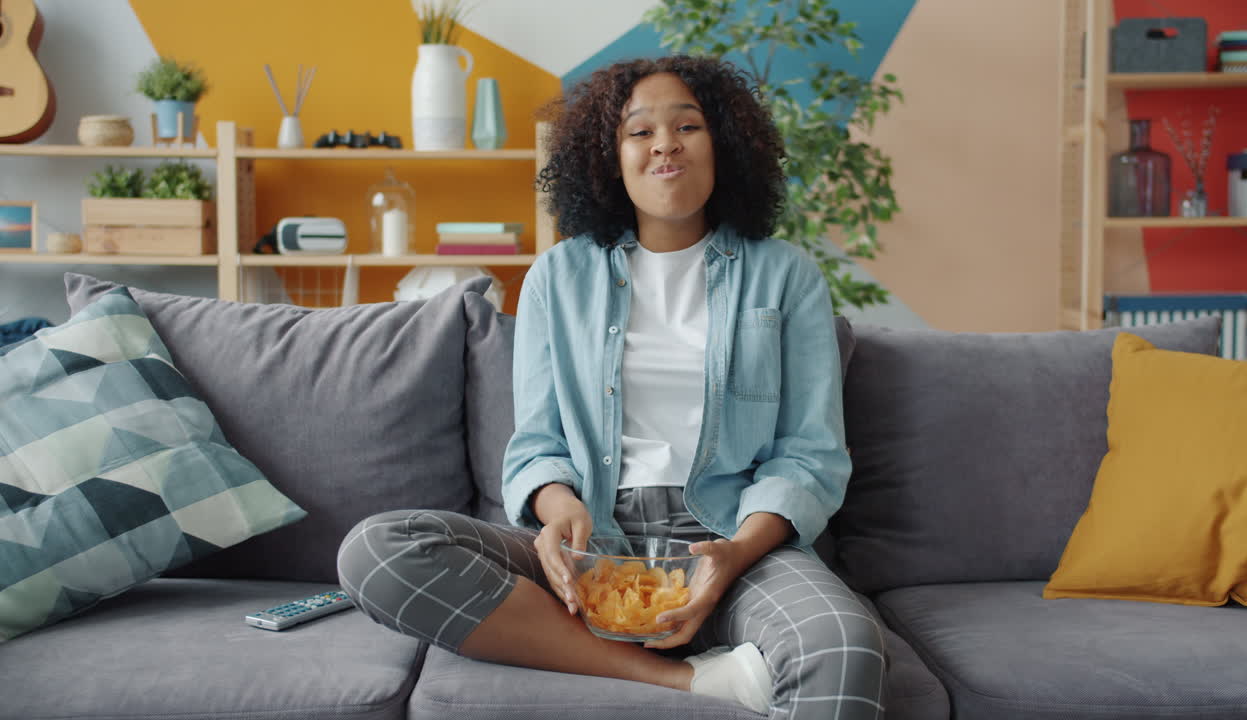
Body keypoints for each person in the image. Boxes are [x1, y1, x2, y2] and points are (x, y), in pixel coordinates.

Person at [337, 55, 886, 719]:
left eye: (689, 126)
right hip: (595, 540)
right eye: (639, 132)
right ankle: (686, 680)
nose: (665, 145)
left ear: (726, 146)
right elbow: (538, 439)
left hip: (733, 543)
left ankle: (710, 625)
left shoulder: (786, 277)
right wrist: (555, 504)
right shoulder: (557, 277)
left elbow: (810, 453)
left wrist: (735, 555)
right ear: (607, 157)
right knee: (378, 551)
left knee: (846, 648)